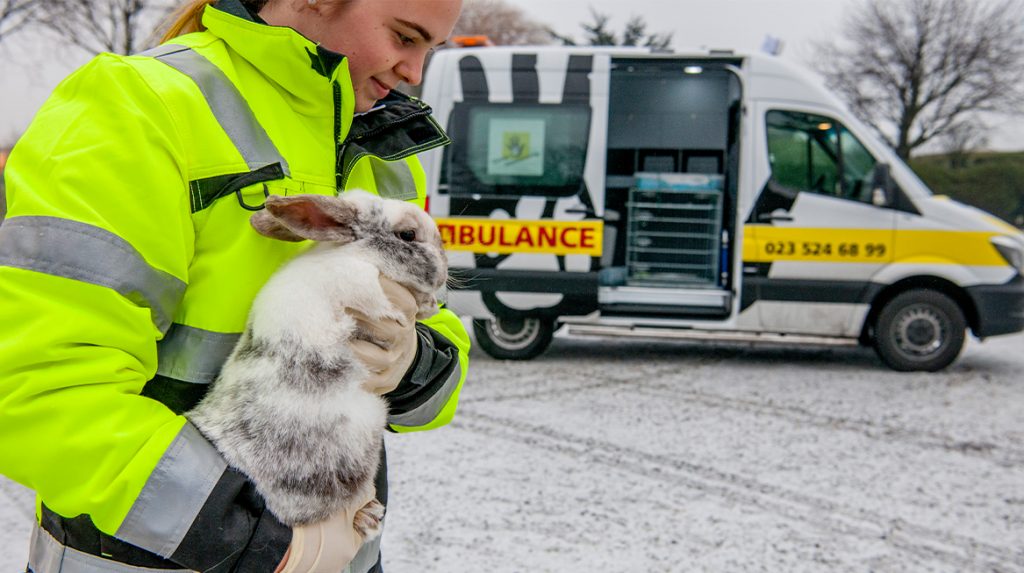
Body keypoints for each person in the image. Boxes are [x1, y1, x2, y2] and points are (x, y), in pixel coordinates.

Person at [0, 0, 468, 571]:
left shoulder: (383, 150)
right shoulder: (140, 104)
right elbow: (40, 384)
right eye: (404, 36)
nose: (414, 72)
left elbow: (440, 348)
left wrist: (411, 357)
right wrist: (260, 544)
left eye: (430, 50)